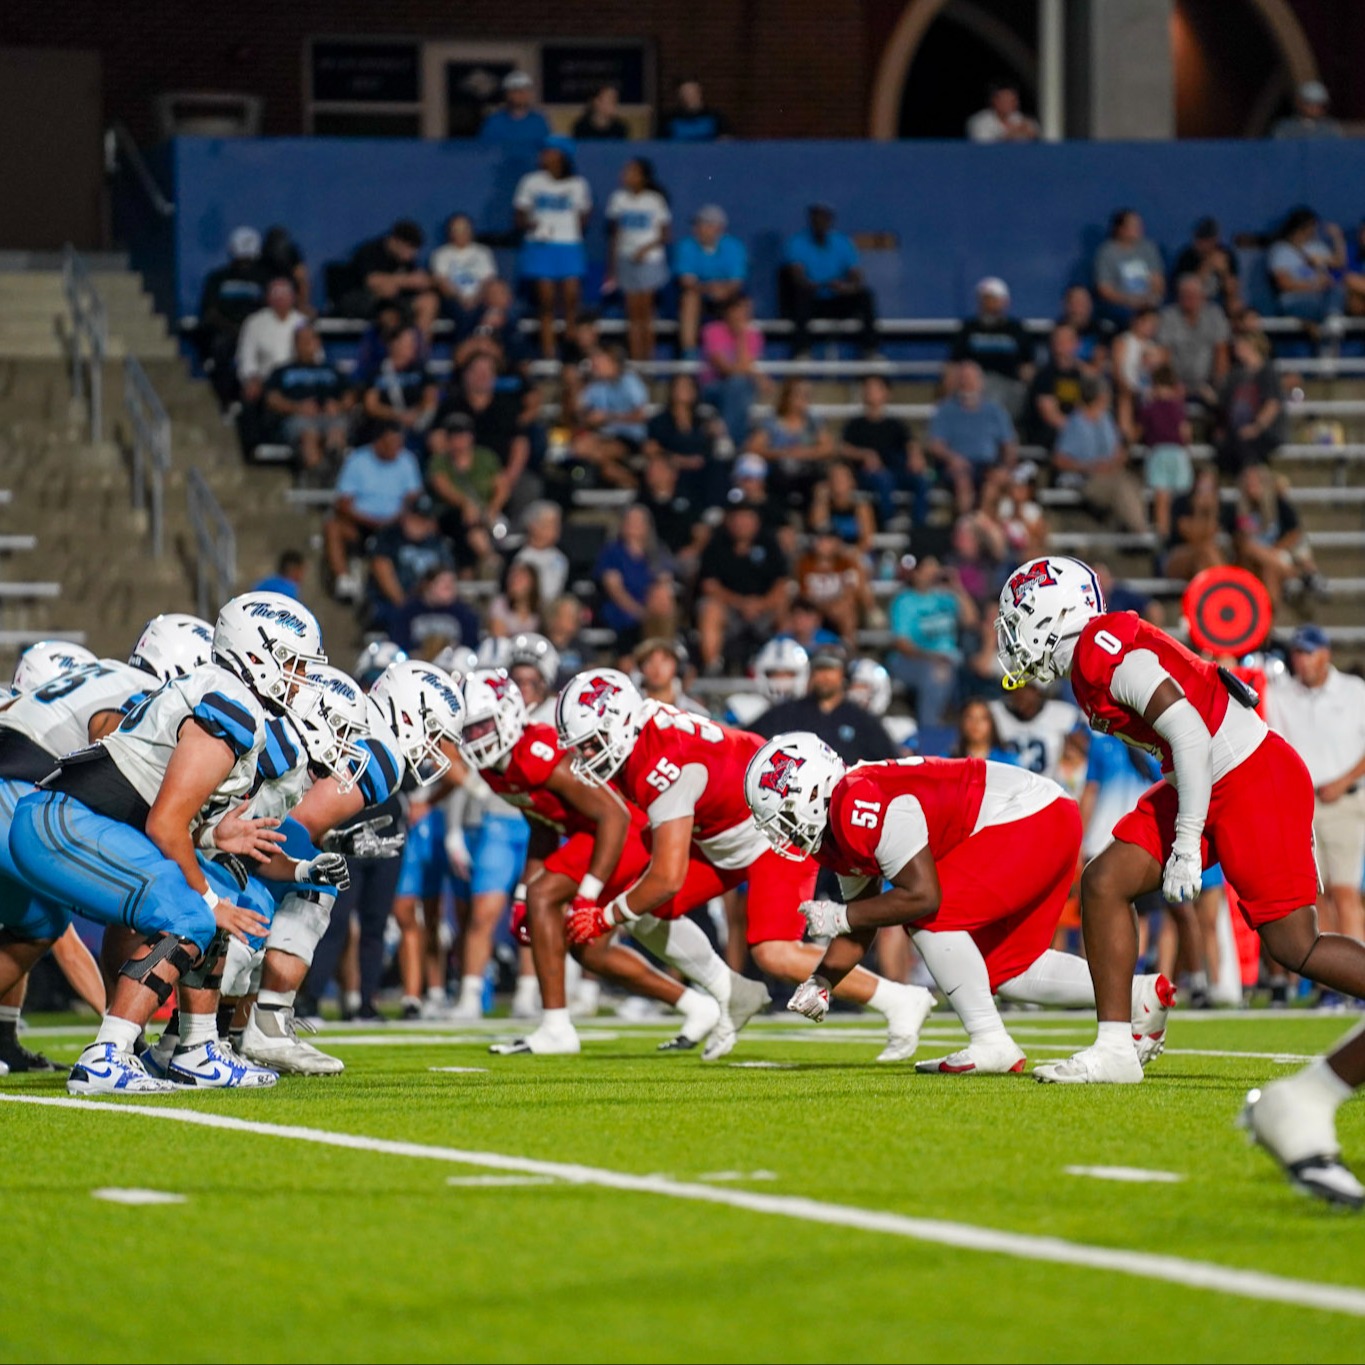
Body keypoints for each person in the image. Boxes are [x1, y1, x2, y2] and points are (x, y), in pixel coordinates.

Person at [996, 554, 1365, 1084]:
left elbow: (1189, 731)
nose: (1013, 640)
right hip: (1202, 774)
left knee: (1293, 944)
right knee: (1104, 881)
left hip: (1247, 775)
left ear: (1050, 614)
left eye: (1018, 620)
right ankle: (1115, 1048)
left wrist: (1187, 842)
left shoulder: (1103, 650)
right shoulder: (1088, 663)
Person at [8, 594, 333, 1093]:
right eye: (292, 663)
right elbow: (163, 823)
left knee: (211, 905)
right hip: (64, 819)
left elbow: (155, 799)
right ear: (256, 654)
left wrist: (213, 834)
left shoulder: (224, 696)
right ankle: (107, 1054)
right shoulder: (233, 703)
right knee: (196, 910)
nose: (299, 679)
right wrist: (207, 899)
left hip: (77, 818)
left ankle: (198, 1049)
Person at [557, 671, 934, 1059]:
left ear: (619, 721)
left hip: (774, 827)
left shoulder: (658, 760)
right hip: (721, 832)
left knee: (773, 952)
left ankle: (898, 1000)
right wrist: (601, 900)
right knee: (642, 909)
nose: (585, 756)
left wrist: (604, 917)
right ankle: (731, 992)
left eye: (589, 744)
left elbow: (667, 878)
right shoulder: (644, 735)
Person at [745, 733, 1172, 1075]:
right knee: (1009, 969)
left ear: (811, 789)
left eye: (782, 814)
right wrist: (822, 980)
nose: (781, 831)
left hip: (1029, 816)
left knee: (929, 915)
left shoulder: (857, 800)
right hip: (1043, 814)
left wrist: (839, 915)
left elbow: (921, 898)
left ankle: (990, 1040)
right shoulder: (842, 820)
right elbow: (863, 925)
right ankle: (1137, 996)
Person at [458, 668, 727, 1055]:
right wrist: (521, 894)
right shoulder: (495, 767)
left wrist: (587, 893)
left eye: (482, 727)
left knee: (546, 895)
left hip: (625, 832)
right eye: (469, 731)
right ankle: (695, 1005)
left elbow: (613, 816)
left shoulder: (536, 750)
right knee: (590, 951)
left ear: (508, 714)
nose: (476, 739)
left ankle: (556, 1027)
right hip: (598, 836)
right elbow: (542, 826)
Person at [1268, 626, 1365, 949]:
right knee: (1315, 897)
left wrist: (1343, 782)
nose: (1301, 660)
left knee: (1345, 892)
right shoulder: (1281, 694)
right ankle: (1332, 983)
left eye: (1308, 652)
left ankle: (1358, 980)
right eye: (1297, 653)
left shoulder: (1354, 691)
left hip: (1343, 804)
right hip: (1302, 809)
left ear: (1326, 654)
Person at [324, 423, 424, 599]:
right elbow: (344, 502)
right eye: (391, 445)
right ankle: (343, 579)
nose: (396, 450)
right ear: (378, 443)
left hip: (396, 523)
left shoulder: (406, 460)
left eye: (399, 445)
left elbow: (413, 496)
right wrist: (371, 520)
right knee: (333, 526)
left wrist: (399, 516)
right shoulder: (357, 460)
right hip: (362, 523)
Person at [753, 646, 898, 765]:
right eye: (819, 670)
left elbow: (889, 762)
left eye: (831, 670)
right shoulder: (786, 713)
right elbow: (752, 743)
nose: (824, 677)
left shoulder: (863, 721)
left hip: (846, 794)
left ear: (843, 674)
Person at [514, 139, 592, 359]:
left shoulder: (577, 184)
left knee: (570, 299)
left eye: (548, 152)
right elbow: (519, 215)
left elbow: (584, 216)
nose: (543, 156)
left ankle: (570, 349)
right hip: (540, 246)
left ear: (560, 155)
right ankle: (548, 352)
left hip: (568, 245)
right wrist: (533, 225)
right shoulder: (530, 182)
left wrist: (566, 227)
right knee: (546, 302)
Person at [696, 501, 792, 673]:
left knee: (785, 600)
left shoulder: (769, 543)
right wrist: (742, 604)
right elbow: (709, 586)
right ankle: (713, 668)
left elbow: (781, 582)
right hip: (730, 610)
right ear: (729, 522)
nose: (742, 525)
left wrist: (761, 604)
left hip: (764, 610)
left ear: (756, 522)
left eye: (747, 519)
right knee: (709, 608)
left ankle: (784, 664)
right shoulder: (716, 545)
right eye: (738, 520)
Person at [886, 554, 977, 727]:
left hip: (951, 660)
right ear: (916, 573)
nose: (932, 573)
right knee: (935, 673)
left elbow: (971, 621)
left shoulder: (945, 597)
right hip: (912, 660)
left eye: (935, 568)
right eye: (928, 568)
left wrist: (957, 587)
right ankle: (929, 729)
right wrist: (933, 658)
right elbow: (902, 644)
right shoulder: (905, 601)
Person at [779, 203, 877, 357]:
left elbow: (856, 276)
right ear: (810, 219)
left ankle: (870, 351)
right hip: (811, 302)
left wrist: (846, 288)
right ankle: (801, 352)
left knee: (865, 296)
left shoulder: (843, 243)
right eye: (816, 216)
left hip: (837, 301)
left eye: (824, 217)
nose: (819, 221)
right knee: (800, 296)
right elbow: (797, 277)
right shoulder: (796, 243)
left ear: (830, 220)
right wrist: (817, 286)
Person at [1053, 377, 1147, 535]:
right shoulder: (1076, 424)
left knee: (1132, 483)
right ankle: (1139, 530)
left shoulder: (1106, 420)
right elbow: (1059, 460)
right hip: (1087, 478)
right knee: (1120, 488)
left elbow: (1116, 450)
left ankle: (1136, 527)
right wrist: (1091, 466)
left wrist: (1119, 457)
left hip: (1112, 472)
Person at [260, 324, 351, 478]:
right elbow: (271, 399)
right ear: (295, 344)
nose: (308, 343)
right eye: (303, 340)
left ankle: (333, 472)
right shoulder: (282, 371)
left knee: (336, 431)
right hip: (298, 419)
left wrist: (338, 405)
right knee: (309, 434)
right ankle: (317, 476)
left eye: (311, 339)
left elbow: (350, 395)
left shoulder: (332, 370)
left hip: (329, 418)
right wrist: (297, 407)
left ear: (318, 343)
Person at [1224, 465, 1320, 611]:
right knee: (1249, 548)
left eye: (1256, 483)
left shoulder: (1278, 504)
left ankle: (1267, 624)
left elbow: (1295, 532)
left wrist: (1272, 552)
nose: (1252, 488)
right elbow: (1239, 543)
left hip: (1273, 557)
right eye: (1248, 484)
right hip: (1248, 561)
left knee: (1269, 570)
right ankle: (1296, 574)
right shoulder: (1236, 509)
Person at [926, 360, 1016, 514]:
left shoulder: (995, 411)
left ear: (980, 382)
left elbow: (1009, 445)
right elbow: (936, 445)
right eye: (963, 378)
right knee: (962, 480)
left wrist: (1006, 468)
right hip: (956, 465)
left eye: (971, 378)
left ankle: (984, 528)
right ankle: (966, 526)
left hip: (988, 464)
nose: (967, 383)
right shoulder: (945, 410)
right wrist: (952, 458)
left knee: (995, 482)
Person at [196, 226, 271, 408]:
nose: (244, 263)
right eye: (241, 258)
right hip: (228, 332)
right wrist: (235, 330)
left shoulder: (263, 278)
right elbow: (210, 312)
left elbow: (268, 310)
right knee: (221, 349)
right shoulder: (218, 278)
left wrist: (251, 331)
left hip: (257, 331)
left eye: (248, 259)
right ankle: (227, 401)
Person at [606, 158, 672, 361]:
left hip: (649, 261)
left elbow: (665, 235)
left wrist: (645, 249)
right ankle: (636, 361)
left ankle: (648, 360)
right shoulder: (618, 199)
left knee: (646, 315)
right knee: (633, 316)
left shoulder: (655, 200)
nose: (626, 176)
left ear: (643, 177)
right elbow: (615, 236)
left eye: (632, 172)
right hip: (627, 261)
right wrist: (613, 268)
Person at [841, 374, 922, 524]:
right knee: (883, 479)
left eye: (876, 388)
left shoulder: (895, 424)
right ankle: (888, 521)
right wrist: (864, 454)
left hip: (894, 471)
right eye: (867, 388)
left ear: (886, 393)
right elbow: (843, 448)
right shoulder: (855, 425)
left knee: (921, 480)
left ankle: (920, 526)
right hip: (867, 475)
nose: (870, 392)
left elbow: (911, 442)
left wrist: (915, 455)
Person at [368, 492, 454, 633]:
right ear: (406, 516)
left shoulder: (437, 543)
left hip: (432, 605)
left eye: (424, 519)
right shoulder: (390, 537)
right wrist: (407, 607)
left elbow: (447, 575)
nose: (419, 524)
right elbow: (381, 567)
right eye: (416, 517)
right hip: (394, 604)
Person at [340, 219, 439, 340]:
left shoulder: (407, 261)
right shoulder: (370, 251)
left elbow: (412, 281)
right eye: (409, 249)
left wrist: (422, 282)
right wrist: (406, 281)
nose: (412, 255)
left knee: (429, 301)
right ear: (395, 241)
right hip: (362, 300)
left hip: (395, 302)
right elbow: (372, 281)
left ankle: (419, 351)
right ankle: (394, 354)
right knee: (389, 300)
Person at [950, 277, 1034, 415]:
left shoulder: (1016, 329)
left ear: (1005, 301)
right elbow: (955, 364)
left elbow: (1027, 366)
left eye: (994, 299)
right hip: (975, 387)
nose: (989, 303)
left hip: (1009, 386)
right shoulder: (969, 329)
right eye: (986, 299)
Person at [751, 378, 835, 515]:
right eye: (799, 394)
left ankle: (818, 524)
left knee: (821, 484)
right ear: (787, 397)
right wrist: (783, 453)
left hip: (807, 472)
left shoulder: (813, 422)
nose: (803, 399)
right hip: (780, 473)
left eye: (806, 395)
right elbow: (754, 447)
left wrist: (804, 453)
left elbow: (828, 447)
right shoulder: (773, 422)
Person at [675, 205, 748, 356]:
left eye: (702, 224)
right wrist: (710, 289)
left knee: (740, 305)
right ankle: (689, 354)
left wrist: (721, 291)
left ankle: (741, 353)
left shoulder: (734, 247)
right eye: (697, 224)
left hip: (726, 296)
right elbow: (686, 281)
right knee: (689, 299)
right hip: (700, 296)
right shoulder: (686, 246)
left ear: (718, 228)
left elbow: (736, 282)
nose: (697, 229)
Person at [699, 292, 765, 450]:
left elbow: (744, 365)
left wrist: (741, 336)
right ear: (728, 311)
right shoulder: (712, 331)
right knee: (738, 385)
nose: (745, 314)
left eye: (748, 310)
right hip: (713, 386)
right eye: (741, 309)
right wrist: (759, 377)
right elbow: (725, 368)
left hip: (741, 387)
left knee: (739, 386)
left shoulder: (754, 335)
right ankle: (738, 444)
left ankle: (727, 440)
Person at [594, 505, 664, 655]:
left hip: (651, 610)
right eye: (630, 521)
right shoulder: (612, 552)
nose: (633, 525)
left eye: (638, 521)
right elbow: (615, 590)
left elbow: (663, 582)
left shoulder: (655, 553)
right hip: (622, 609)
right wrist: (641, 613)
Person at [645, 372, 722, 508]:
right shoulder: (659, 421)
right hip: (672, 467)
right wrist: (680, 461)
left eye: (688, 387)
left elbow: (710, 448)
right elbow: (651, 449)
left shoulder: (703, 421)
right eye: (680, 386)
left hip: (701, 468)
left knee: (717, 467)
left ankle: (713, 509)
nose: (684, 390)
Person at [576, 346, 650, 487]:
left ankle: (632, 482)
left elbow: (640, 415)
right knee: (580, 447)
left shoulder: (630, 382)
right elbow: (582, 411)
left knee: (599, 454)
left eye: (600, 361)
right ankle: (619, 475)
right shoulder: (596, 386)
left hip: (630, 437)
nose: (595, 366)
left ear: (613, 362)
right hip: (605, 435)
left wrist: (608, 417)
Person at [1215, 332, 1285, 477]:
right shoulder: (1236, 374)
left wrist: (1256, 428)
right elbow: (1224, 403)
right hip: (1236, 431)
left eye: (1241, 344)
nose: (1236, 348)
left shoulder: (1267, 371)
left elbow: (1272, 404)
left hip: (1262, 432)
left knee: (1245, 445)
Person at [235, 277, 306, 414]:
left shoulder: (302, 322)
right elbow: (246, 359)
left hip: (296, 380)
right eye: (276, 295)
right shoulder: (254, 323)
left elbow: (315, 355)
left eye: (284, 294)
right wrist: (252, 379)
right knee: (251, 393)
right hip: (265, 381)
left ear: (292, 298)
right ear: (268, 298)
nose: (280, 299)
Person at [1139, 365, 1193, 542]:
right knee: (1181, 497)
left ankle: (1163, 533)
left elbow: (1139, 429)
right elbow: (1186, 432)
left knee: (1161, 496)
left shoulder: (1150, 407)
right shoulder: (1178, 408)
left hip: (1158, 453)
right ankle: (1179, 534)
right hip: (1177, 453)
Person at [1156, 274, 1230, 402]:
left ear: (1203, 296)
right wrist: (1172, 384)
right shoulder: (1168, 316)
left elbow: (1221, 351)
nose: (1189, 298)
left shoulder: (1214, 315)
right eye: (1185, 295)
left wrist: (1218, 384)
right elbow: (1164, 354)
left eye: (1194, 295)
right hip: (1177, 380)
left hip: (1206, 381)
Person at [1269, 206, 1345, 329]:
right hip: (1295, 301)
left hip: (1322, 299)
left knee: (1338, 290)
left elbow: (1339, 263)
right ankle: (1329, 327)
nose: (1314, 230)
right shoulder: (1281, 251)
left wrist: (1337, 237)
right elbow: (1284, 284)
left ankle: (1332, 323)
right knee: (1321, 309)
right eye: (1312, 226)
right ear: (1302, 228)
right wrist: (1315, 285)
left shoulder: (1316, 248)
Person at [987, 681, 1082, 780]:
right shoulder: (993, 712)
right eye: (1016, 688)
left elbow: (1086, 751)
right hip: (1007, 785)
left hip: (1050, 787)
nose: (1021, 694)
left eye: (1026, 688)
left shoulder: (1063, 714)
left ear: (1038, 691)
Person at [793, 524, 871, 645]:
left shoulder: (846, 563)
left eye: (828, 540)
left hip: (837, 609)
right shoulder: (805, 564)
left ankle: (847, 649)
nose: (823, 543)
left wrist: (833, 606)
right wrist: (825, 607)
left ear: (837, 543)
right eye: (820, 539)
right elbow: (804, 595)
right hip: (812, 609)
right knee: (800, 615)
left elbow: (851, 592)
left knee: (847, 612)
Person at [360, 326, 438, 444]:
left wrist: (416, 415)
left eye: (413, 342)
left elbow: (430, 400)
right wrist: (399, 416)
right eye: (407, 342)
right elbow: (371, 405)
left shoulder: (422, 371)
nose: (412, 346)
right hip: (384, 428)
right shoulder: (378, 371)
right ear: (393, 344)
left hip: (416, 426)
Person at [637, 449, 710, 570]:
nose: (653, 474)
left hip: (682, 555)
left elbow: (702, 531)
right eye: (650, 470)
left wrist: (693, 549)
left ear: (673, 474)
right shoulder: (641, 502)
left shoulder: (688, 500)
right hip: (649, 555)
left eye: (658, 470)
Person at [1093, 209, 1166, 329]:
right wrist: (1130, 301)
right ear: (1120, 229)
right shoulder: (1106, 252)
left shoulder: (1148, 248)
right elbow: (1104, 290)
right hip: (1121, 307)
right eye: (1134, 225)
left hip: (1148, 305)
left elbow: (1158, 281)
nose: (1139, 229)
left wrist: (1152, 299)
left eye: (1139, 225)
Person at [1022, 323, 1086, 452]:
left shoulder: (1081, 374)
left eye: (1066, 340)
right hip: (1050, 432)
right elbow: (1050, 415)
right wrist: (1080, 431)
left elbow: (1086, 405)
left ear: (1077, 344)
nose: (1061, 343)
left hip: (1075, 429)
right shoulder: (1044, 375)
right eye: (1057, 339)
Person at [430, 212, 498, 320]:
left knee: (496, 302)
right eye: (457, 230)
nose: (462, 233)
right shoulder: (440, 254)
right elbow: (443, 283)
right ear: (450, 233)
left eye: (465, 229)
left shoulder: (483, 252)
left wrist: (476, 299)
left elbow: (488, 281)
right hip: (454, 300)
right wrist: (461, 299)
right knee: (463, 312)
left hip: (481, 298)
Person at [1163, 465, 1225, 582]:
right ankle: (1224, 590)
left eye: (1210, 487)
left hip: (1203, 557)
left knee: (1203, 560)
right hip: (1176, 554)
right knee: (1206, 551)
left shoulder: (1217, 508)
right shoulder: (1181, 503)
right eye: (1202, 486)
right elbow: (1194, 538)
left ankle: (1213, 595)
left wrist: (1211, 512)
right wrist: (1198, 511)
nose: (1205, 492)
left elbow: (1209, 537)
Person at [1171, 216, 1241, 313]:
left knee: (1236, 304)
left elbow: (1233, 290)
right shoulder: (1187, 257)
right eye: (1199, 240)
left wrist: (1225, 273)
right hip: (1195, 301)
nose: (1202, 244)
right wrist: (1207, 267)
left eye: (1206, 240)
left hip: (1219, 302)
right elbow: (1186, 290)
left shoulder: (1225, 255)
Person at [810, 460, 877, 556]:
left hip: (857, 553)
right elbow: (818, 531)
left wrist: (852, 554)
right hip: (830, 554)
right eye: (835, 477)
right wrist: (820, 501)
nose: (838, 481)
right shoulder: (824, 505)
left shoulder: (861, 507)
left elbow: (867, 540)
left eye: (842, 477)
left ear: (852, 482)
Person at [513, 501, 570, 604]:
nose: (557, 529)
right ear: (534, 526)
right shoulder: (516, 555)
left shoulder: (564, 556)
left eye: (558, 524)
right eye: (551, 524)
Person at [478, 70, 551, 145]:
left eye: (524, 91)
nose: (521, 95)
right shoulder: (493, 121)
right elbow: (485, 150)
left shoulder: (539, 121)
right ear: (507, 94)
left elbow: (547, 149)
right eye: (516, 91)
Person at [635, 637, 706, 714]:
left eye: (664, 661)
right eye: (649, 661)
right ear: (641, 669)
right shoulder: (631, 711)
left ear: (675, 666)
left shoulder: (696, 714)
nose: (657, 668)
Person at [659, 78, 731, 141]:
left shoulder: (716, 116)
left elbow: (726, 138)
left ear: (699, 92)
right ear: (680, 95)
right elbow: (660, 143)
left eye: (692, 92)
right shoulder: (669, 118)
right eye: (685, 92)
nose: (689, 96)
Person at [965, 81, 1040, 142]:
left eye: (1012, 100)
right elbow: (983, 145)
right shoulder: (980, 121)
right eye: (1005, 100)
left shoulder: (1019, 118)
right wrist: (1007, 136)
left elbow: (1034, 132)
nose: (1010, 104)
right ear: (994, 101)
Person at [1270, 80, 1343, 140]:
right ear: (1299, 104)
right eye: (1311, 104)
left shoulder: (1330, 127)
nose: (1315, 108)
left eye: (1320, 105)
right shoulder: (1285, 128)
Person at [489, 559, 542, 638]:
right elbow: (498, 635)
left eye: (520, 578)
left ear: (532, 583)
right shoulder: (500, 603)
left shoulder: (541, 607)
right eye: (512, 577)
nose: (514, 581)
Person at [953, 697, 1013, 763]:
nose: (976, 723)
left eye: (982, 718)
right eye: (970, 718)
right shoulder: (949, 761)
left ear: (991, 723)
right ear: (962, 722)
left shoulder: (1008, 760)